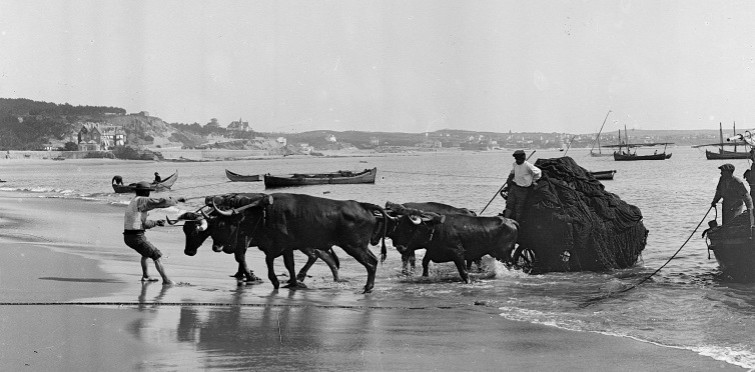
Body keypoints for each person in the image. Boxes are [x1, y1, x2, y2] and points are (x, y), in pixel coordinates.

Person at [123, 181, 186, 284]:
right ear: (146, 192)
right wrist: (176, 200)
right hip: (136, 237)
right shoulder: (141, 200)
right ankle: (166, 280)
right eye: (148, 192)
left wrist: (156, 223)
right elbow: (161, 202)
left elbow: (143, 224)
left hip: (129, 236)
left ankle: (146, 276)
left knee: (146, 253)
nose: (149, 195)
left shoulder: (134, 201)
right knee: (157, 255)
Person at [503, 149, 542, 221]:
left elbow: (538, 172)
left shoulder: (528, 166)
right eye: (516, 159)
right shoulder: (515, 164)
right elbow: (513, 172)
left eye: (518, 159)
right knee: (509, 204)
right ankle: (505, 221)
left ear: (522, 158)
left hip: (523, 189)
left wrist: (534, 181)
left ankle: (517, 222)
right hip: (514, 187)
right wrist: (509, 179)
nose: (517, 160)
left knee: (519, 207)